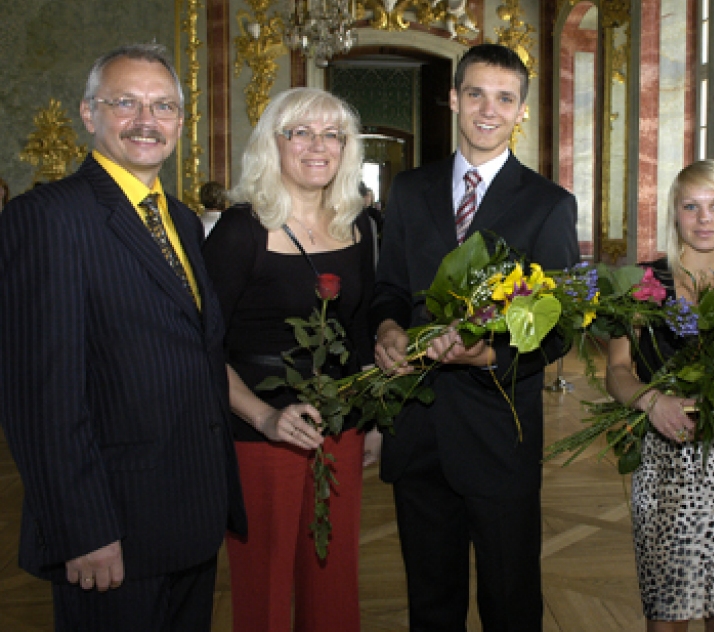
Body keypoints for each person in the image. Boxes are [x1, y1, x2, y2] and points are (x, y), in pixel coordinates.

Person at [0, 43, 246, 632]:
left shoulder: (182, 220)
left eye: (163, 107)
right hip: (110, 532)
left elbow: (195, 353)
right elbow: (41, 397)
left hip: (189, 520)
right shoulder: (48, 218)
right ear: (89, 114)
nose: (146, 121)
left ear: (181, 123)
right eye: (125, 103)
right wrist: (81, 529)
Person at [371, 43, 579, 631]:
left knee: (510, 602)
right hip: (418, 431)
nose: (489, 109)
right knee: (430, 602)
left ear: (520, 112)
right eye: (476, 94)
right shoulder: (410, 190)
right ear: (454, 99)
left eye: (505, 98)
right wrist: (386, 329)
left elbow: (558, 326)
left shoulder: (547, 205)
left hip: (498, 433)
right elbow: (388, 287)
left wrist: (490, 352)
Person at [202, 87, 379, 632]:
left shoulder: (363, 226)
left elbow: (364, 329)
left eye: (331, 134)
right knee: (265, 590)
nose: (316, 146)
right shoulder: (240, 230)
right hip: (260, 438)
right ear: (271, 145)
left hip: (339, 432)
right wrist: (263, 416)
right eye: (299, 132)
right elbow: (200, 346)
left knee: (334, 580)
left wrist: (370, 424)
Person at [606, 160, 714, 632]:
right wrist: (651, 400)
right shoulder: (644, 284)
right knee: (668, 609)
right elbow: (617, 371)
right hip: (666, 460)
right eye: (691, 206)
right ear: (675, 214)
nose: (704, 218)